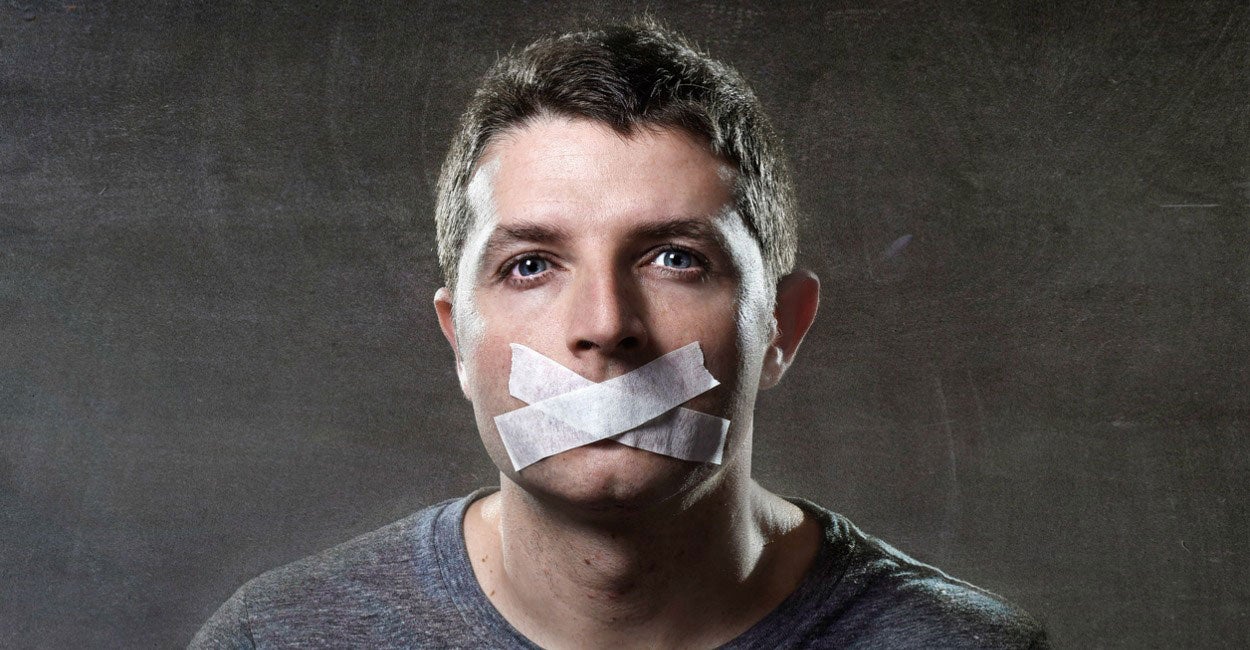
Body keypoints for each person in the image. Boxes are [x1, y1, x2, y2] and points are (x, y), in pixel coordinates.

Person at [192, 19, 1048, 649]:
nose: (605, 326)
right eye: (531, 265)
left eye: (675, 259)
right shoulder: (278, 639)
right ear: (458, 339)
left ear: (781, 327)